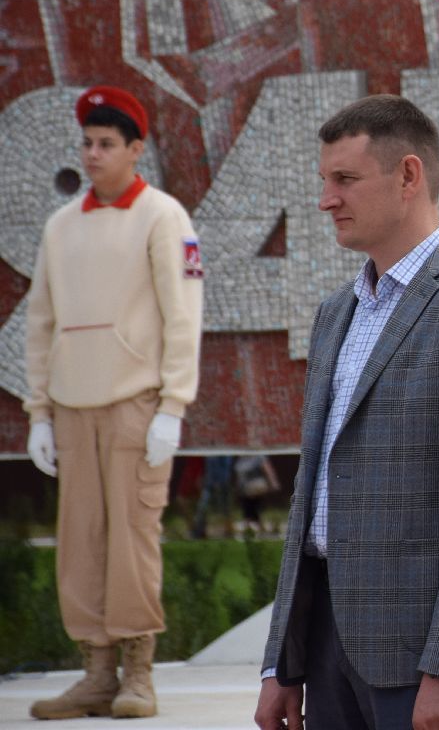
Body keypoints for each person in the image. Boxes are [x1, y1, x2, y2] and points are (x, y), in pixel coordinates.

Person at [254, 95, 439, 730]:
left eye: (346, 180)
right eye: (324, 181)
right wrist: (282, 662)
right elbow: (312, 499)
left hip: (425, 662)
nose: (327, 199)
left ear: (409, 175)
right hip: (328, 646)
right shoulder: (338, 310)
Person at [23, 84, 204, 720]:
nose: (93, 154)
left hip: (135, 402)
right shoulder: (60, 226)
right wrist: (38, 413)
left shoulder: (162, 216)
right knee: (81, 543)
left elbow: (183, 316)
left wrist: (172, 406)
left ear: (136, 150)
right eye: (87, 143)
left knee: (132, 541)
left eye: (106, 144)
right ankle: (95, 675)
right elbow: (40, 322)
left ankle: (137, 676)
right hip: (72, 406)